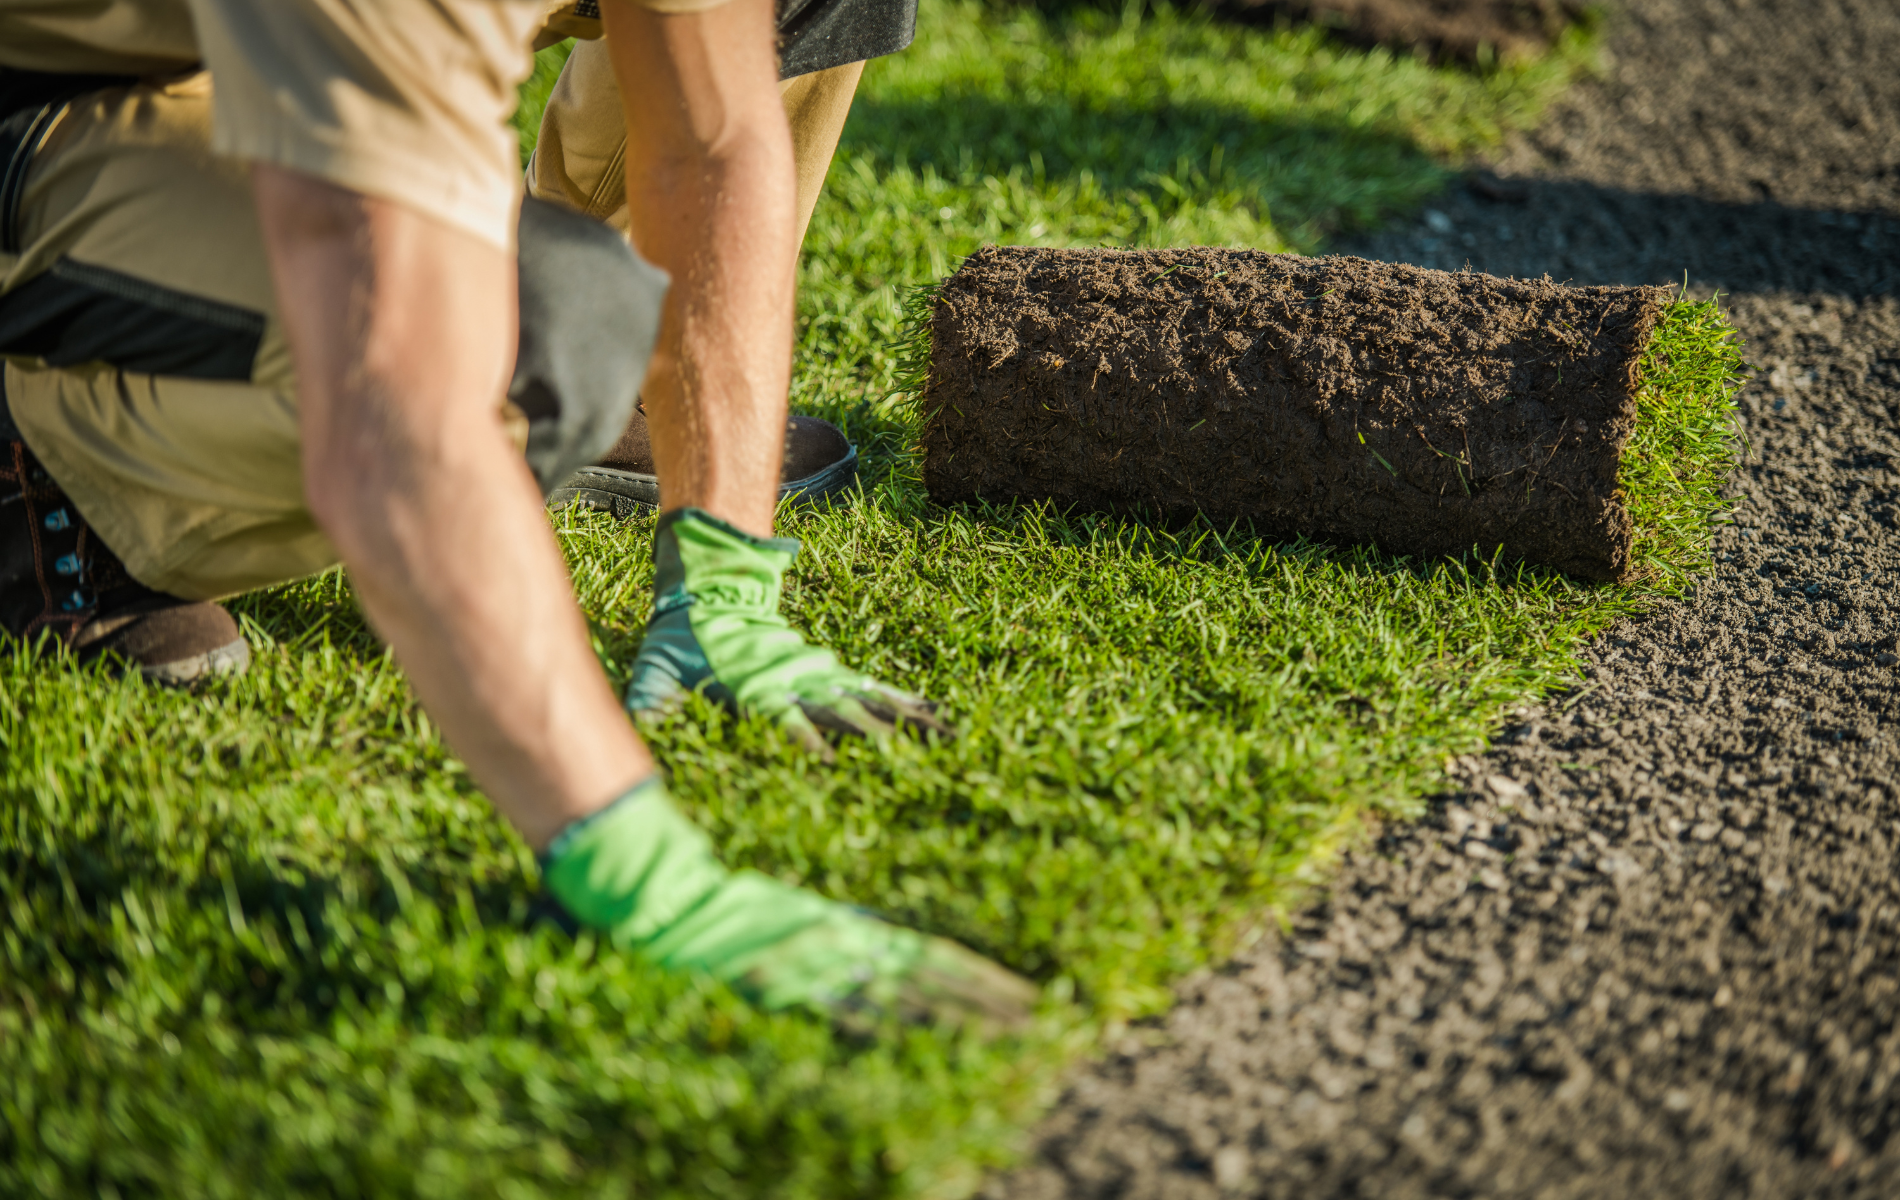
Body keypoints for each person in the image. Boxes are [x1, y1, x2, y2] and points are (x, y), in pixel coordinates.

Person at [0, 0, 1035, 1030]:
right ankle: (49, 475)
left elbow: (712, 138)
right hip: (60, 106)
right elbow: (398, 400)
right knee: (542, 325)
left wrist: (725, 582)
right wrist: (633, 864)